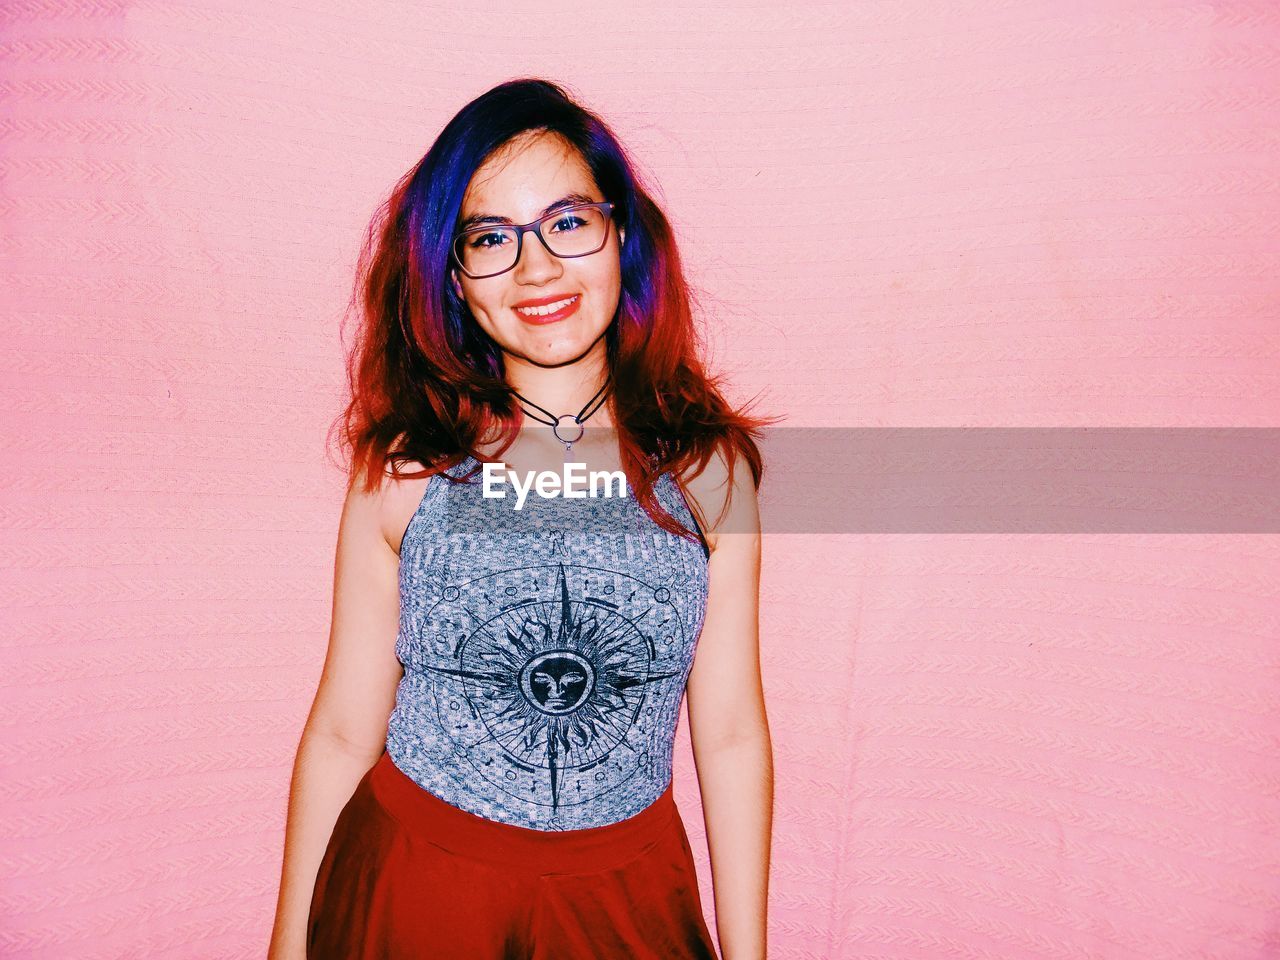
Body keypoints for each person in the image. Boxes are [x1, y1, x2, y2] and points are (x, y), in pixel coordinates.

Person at [267, 77, 775, 960]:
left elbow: (728, 733)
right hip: (414, 889)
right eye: (491, 239)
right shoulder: (403, 470)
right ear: (455, 280)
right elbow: (345, 727)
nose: (536, 268)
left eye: (567, 223)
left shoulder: (709, 472)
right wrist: (286, 945)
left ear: (623, 235)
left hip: (627, 897)